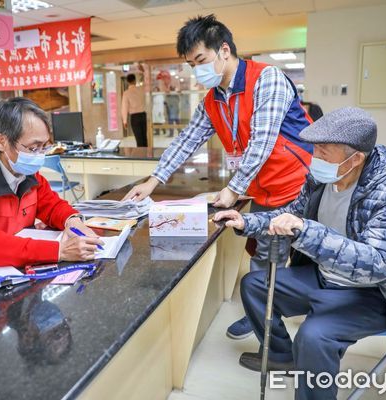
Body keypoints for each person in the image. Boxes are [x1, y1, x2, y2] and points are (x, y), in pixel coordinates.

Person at [214, 107, 386, 399]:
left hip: (372, 293)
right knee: (254, 285)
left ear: (356, 158)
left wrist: (307, 232)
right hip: (325, 276)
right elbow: (291, 214)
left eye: (323, 152)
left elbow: (379, 264)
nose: (314, 159)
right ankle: (284, 355)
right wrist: (248, 222)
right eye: (315, 149)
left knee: (313, 336)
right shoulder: (322, 177)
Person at [122, 14, 314, 339]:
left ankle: (271, 323)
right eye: (191, 63)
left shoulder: (267, 80)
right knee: (268, 255)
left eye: (201, 60)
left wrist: (233, 189)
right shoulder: (213, 100)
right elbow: (186, 141)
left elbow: (262, 141)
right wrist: (152, 181)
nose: (197, 70)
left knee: (279, 255)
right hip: (261, 186)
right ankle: (264, 315)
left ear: (224, 50)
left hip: (296, 181)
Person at [0, 97, 103, 268]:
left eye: (43, 147)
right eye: (33, 148)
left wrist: (72, 221)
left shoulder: (25, 169)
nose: (39, 155)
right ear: (2, 141)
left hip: (16, 265)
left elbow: (51, 205)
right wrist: (59, 251)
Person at [121, 73, 148, 147]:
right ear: (135, 81)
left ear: (127, 81)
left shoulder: (126, 93)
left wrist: (125, 121)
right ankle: (147, 154)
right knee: (144, 137)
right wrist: (143, 72)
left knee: (138, 138)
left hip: (134, 117)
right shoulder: (141, 89)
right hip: (143, 115)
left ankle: (141, 156)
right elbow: (147, 83)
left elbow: (124, 107)